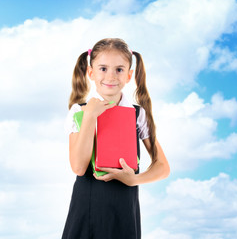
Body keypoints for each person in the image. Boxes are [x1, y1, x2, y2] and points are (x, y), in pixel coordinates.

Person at [62, 38, 170, 239]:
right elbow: (78, 167)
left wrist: (134, 179)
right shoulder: (79, 111)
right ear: (91, 73)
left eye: (119, 69)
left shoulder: (138, 114)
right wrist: (90, 116)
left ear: (129, 75)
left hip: (124, 212)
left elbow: (162, 167)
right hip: (86, 210)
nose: (110, 76)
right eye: (103, 68)